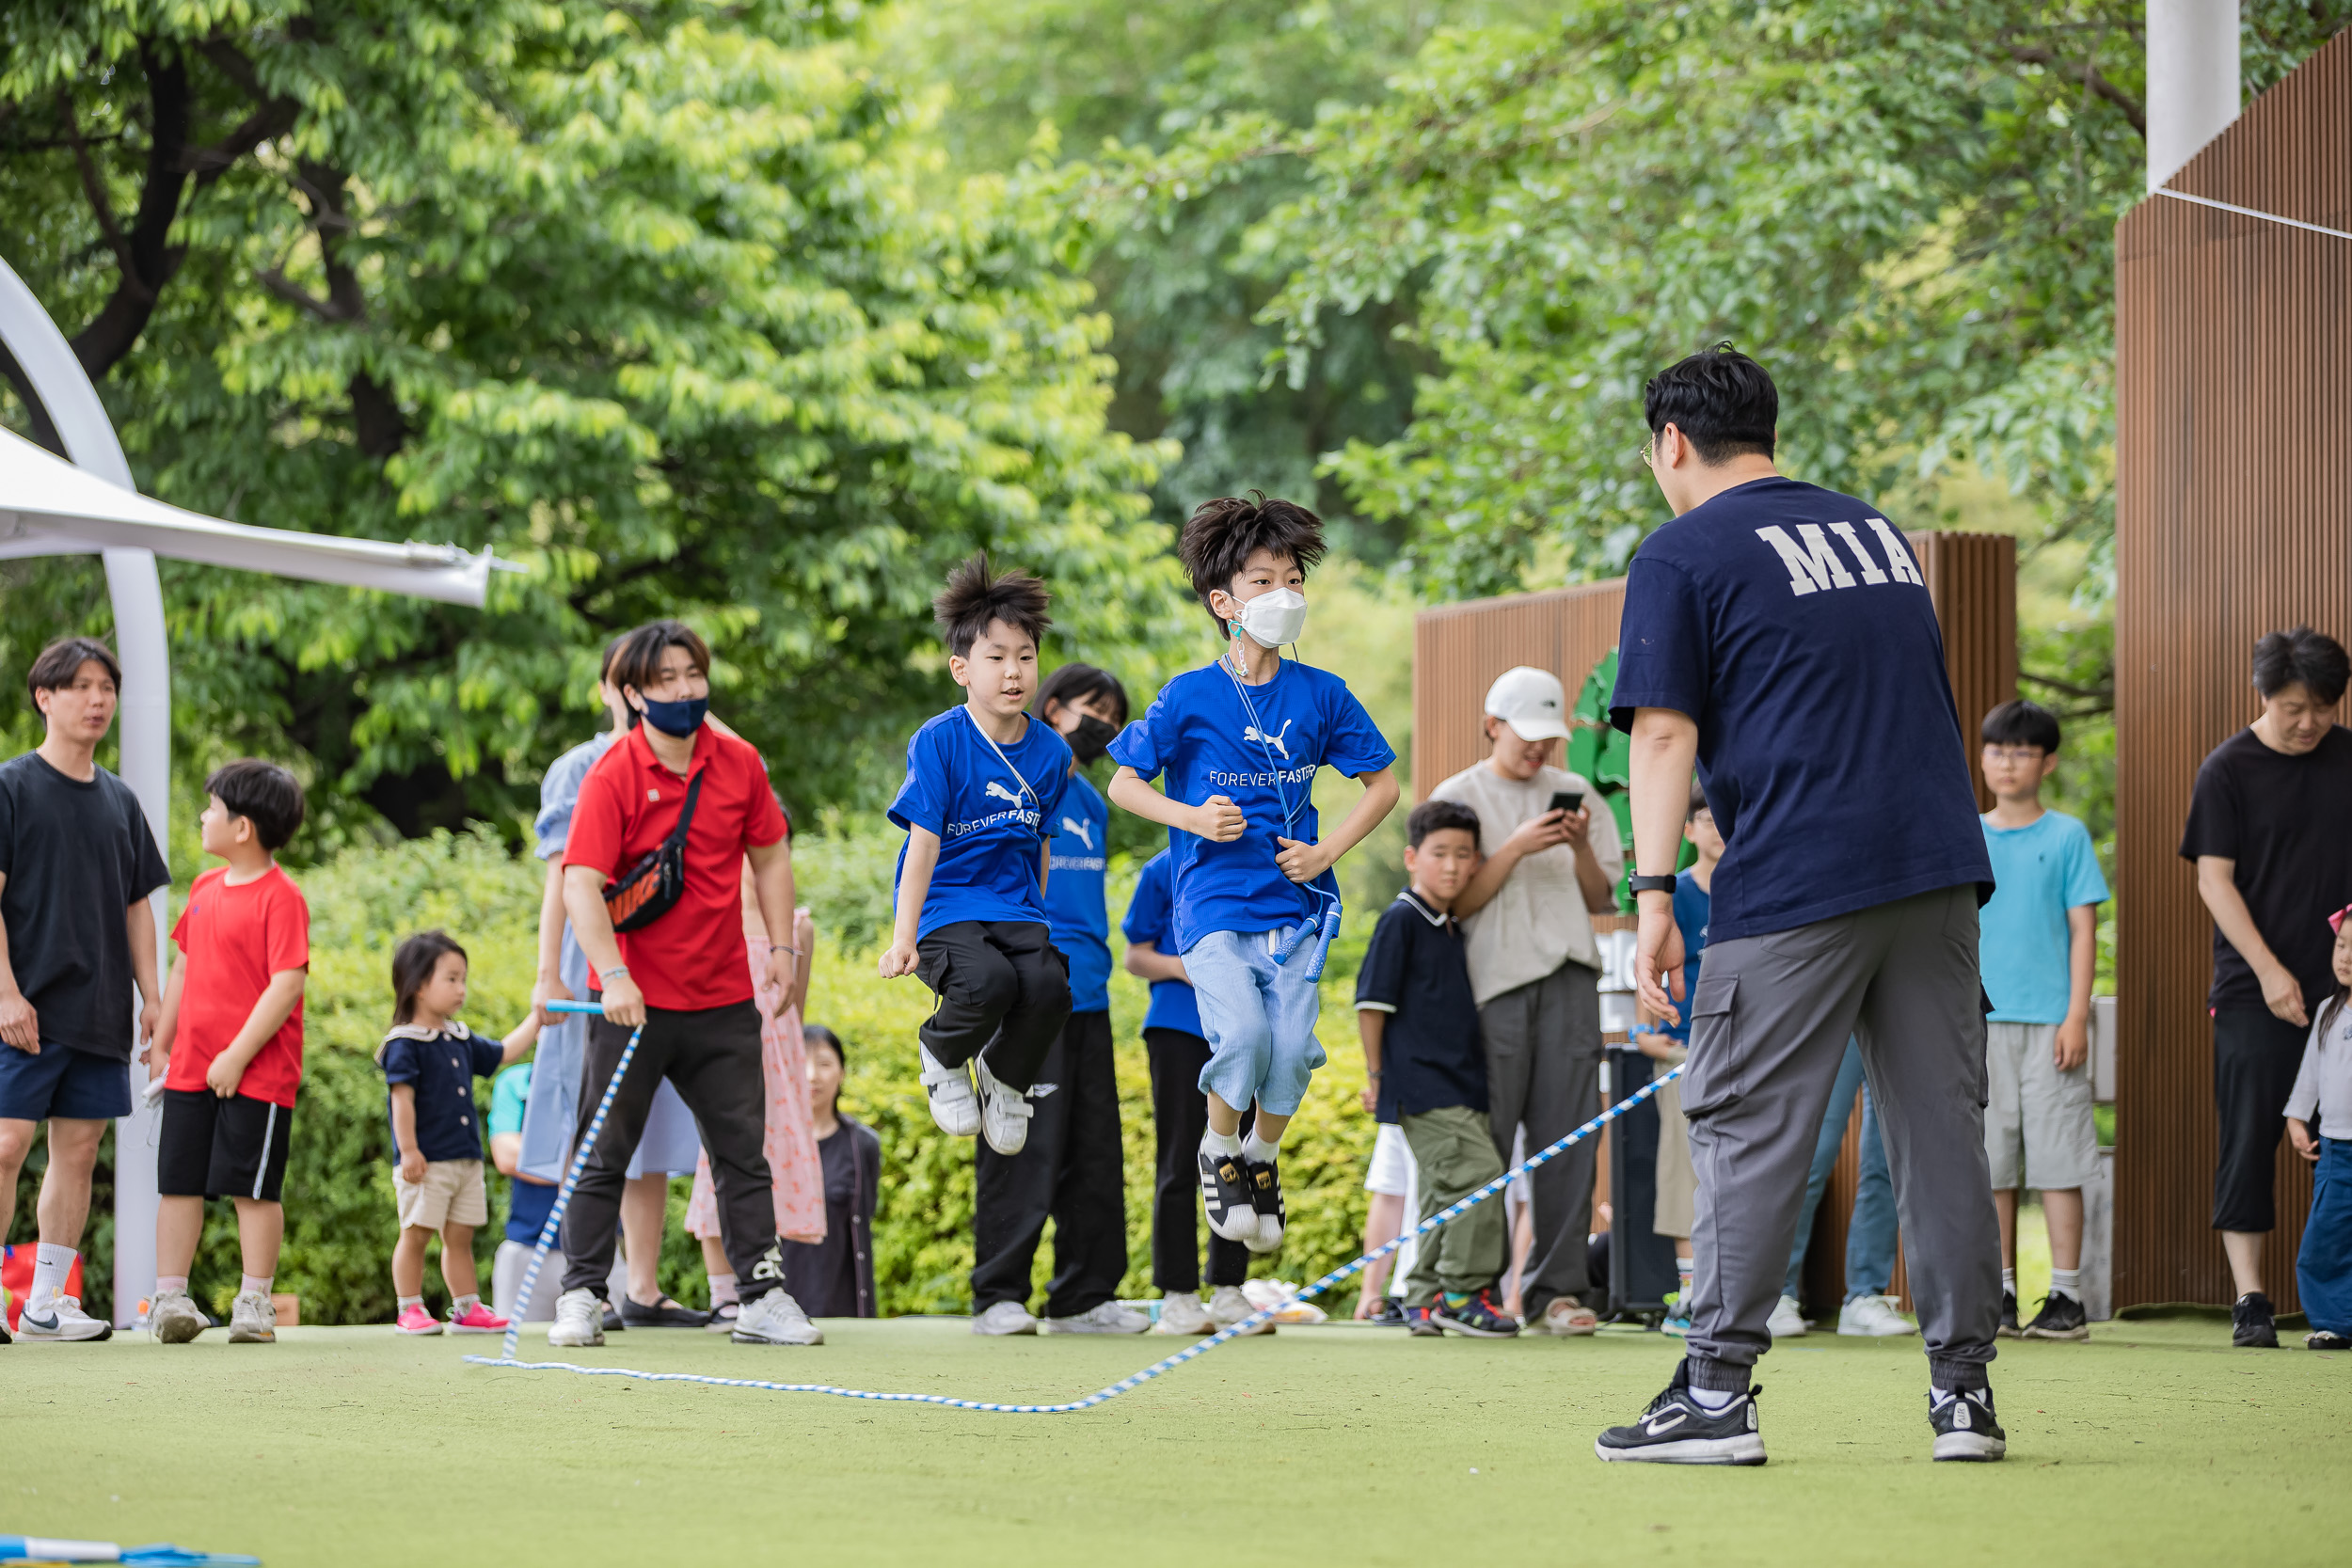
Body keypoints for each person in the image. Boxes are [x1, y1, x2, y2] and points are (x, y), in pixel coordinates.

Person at [1597, 344, 2005, 1465]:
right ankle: (1962, 1396)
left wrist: (1650, 899)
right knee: (1940, 1135)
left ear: (1670, 441)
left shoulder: (1680, 551)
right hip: (1934, 869)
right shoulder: (1871, 531)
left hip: (1796, 879)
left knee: (1743, 1129)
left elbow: (1665, 731)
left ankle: (1715, 1393)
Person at [1107, 495, 1400, 1257]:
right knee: (1239, 1035)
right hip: (1211, 903)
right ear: (1224, 602)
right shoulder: (1190, 694)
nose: (1284, 595)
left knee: (1293, 1049)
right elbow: (1124, 784)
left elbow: (1383, 786)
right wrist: (1193, 817)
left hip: (1297, 904)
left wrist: (1326, 851)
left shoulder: (1322, 693)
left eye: (1293, 579)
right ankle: (1218, 1149)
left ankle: (1261, 1157)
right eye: (1264, 582)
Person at [552, 619, 820, 1349]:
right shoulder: (613, 772)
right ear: (634, 693)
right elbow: (580, 884)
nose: (683, 689)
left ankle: (763, 1296)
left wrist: (782, 952)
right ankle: (581, 1294)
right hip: (631, 1002)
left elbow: (770, 856)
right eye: (665, 679)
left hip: (723, 996)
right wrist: (611, 974)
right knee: (602, 1150)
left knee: (743, 1152)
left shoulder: (738, 761)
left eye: (692, 674)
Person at [525, 633, 712, 1332]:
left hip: (667, 964)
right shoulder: (579, 767)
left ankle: (643, 1283)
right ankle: (587, 1285)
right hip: (594, 963)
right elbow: (559, 880)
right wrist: (549, 973)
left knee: (655, 1124)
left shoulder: (696, 757)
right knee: (596, 1120)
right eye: (635, 678)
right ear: (616, 688)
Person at [1429, 666, 1623, 1336]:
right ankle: (1470, 1290)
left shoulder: (1577, 794)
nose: (1539, 749)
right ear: (1492, 724)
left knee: (1569, 1141)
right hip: (1492, 984)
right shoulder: (1458, 796)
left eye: (1548, 737)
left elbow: (1602, 900)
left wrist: (1575, 850)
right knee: (1488, 1142)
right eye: (1526, 735)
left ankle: (1556, 1293)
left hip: (1572, 975)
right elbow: (1454, 901)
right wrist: (1512, 848)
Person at [2181, 626, 2352, 1349]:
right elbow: (2212, 880)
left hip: (2345, 980)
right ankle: (2251, 1295)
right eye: (2292, 707)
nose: (2309, 720)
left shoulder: (2349, 758)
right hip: (2255, 986)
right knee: (2250, 1133)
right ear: (2264, 696)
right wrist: (2270, 969)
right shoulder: (2227, 770)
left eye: (2322, 706)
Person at [0, 637, 170, 1342]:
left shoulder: (120, 800)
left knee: (78, 1153)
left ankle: (47, 1305)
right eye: (82, 686)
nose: (98, 699)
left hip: (100, 1009)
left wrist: (153, 998)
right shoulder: (11, 785)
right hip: (24, 1006)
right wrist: (5, 995)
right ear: (46, 696)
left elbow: (137, 908)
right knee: (6, 1144)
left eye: (107, 687)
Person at [968, 663, 1147, 1335]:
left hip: (1090, 994)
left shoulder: (1097, 803)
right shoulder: (1011, 783)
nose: (1100, 721)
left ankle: (1083, 1295)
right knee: (1021, 1145)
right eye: (1088, 706)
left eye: (1111, 711)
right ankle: (999, 1293)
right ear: (1051, 706)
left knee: (1094, 1147)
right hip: (1027, 991)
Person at [881, 555, 1073, 1165]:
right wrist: (903, 936)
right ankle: (941, 1055)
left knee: (1047, 987)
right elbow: (924, 843)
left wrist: (1038, 918)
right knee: (988, 982)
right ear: (962, 668)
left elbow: (1039, 838)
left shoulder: (1053, 752)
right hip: (947, 905)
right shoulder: (939, 740)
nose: (1014, 671)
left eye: (1025, 655)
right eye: (997, 657)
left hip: (1015, 904)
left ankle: (1004, 1076)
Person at [145, 762, 310, 1346]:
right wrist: (162, 1043)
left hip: (258, 1076)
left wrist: (237, 1056)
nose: (202, 816)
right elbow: (184, 969)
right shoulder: (204, 889)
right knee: (179, 1182)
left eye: (211, 807)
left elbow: (286, 983)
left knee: (253, 1188)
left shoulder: (283, 897)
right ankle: (169, 1298)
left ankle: (255, 1302)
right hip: (191, 1067)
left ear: (242, 828)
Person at [1355, 800, 1516, 1338]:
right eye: (1439, 853)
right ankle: (1464, 1293)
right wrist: (1376, 1077)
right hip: (1422, 1085)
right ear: (1411, 858)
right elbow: (1372, 1005)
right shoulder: (1401, 919)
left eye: (1463, 855)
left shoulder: (1448, 925)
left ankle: (1422, 1296)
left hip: (1459, 1082)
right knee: (1479, 1178)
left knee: (1443, 1190)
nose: (1451, 866)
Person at [1978, 698, 2109, 1342]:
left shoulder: (2067, 835)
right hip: (1982, 1023)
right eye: (1997, 749)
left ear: (2048, 761)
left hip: (2054, 1024)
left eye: (2022, 750)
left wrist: (2077, 1013)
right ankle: (1998, 1292)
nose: (2007, 761)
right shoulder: (1966, 832)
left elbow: (2084, 929)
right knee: (1992, 1161)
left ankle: (2066, 1296)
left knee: (2058, 1160)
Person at [1123, 847, 1272, 1338]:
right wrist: (1186, 968)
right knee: (1179, 1159)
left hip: (1243, 1033)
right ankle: (1178, 1297)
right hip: (1178, 1028)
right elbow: (1135, 956)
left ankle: (1229, 1291)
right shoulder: (1162, 868)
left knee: (1242, 1157)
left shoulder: (1261, 862)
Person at [378, 931, 540, 1335]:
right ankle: (409, 1307)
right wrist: (409, 1149)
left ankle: (466, 1308)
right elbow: (403, 1100)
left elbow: (502, 1053)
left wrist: (537, 1019)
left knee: (460, 1236)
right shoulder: (404, 1043)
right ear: (417, 984)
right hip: (426, 1162)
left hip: (465, 1159)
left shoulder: (460, 1037)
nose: (461, 989)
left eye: (463, 979)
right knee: (416, 1234)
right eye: (450, 979)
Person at [684, 883, 824, 1329]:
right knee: (719, 1161)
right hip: (727, 1058)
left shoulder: (799, 927)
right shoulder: (709, 912)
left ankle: (763, 1289)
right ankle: (724, 1294)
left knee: (776, 1166)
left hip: (780, 1065)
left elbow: (793, 1007)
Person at [1634, 782, 1721, 1336]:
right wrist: (1649, 1033)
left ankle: (1732, 1288)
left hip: (1751, 1052)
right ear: (1687, 829)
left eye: (1726, 818)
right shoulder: (1672, 896)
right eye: (1707, 819)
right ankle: (1689, 1291)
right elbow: (1649, 978)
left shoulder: (1755, 890)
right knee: (1682, 1168)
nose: (1717, 829)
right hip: (1685, 1052)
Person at [774, 1027, 882, 1318]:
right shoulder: (771, 1143)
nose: (812, 1075)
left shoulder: (863, 1145)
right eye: (802, 1062)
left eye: (823, 1063)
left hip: (842, 1303)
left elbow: (865, 1215)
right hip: (778, 1307)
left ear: (842, 1072)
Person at [2285, 906, 2352, 1352]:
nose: (2345, 956)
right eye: (2342, 945)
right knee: (2323, 1242)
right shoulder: (2330, 1010)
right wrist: (2296, 1115)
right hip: (2336, 1152)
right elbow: (2311, 1072)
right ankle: (2335, 1322)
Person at [487, 1057, 558, 1323]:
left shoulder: (610, 1075)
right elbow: (507, 1156)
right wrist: (584, 1166)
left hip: (605, 1253)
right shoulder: (517, 1081)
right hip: (527, 1249)